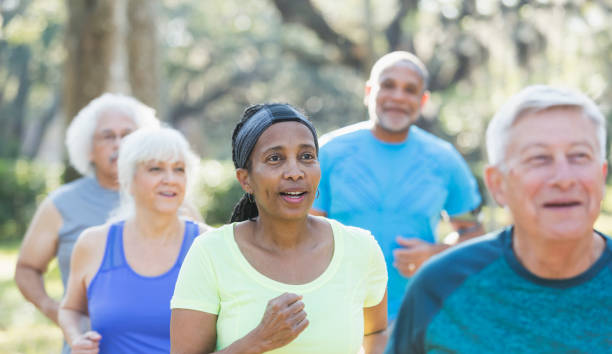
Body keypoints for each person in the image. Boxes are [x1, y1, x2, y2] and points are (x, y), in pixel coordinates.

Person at [386, 85, 612, 353]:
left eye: (579, 156)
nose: (564, 178)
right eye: (539, 158)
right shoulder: (440, 285)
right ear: (498, 184)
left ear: (601, 173)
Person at [170, 103, 388, 353]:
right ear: (245, 180)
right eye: (275, 158)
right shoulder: (210, 254)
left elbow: (376, 332)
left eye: (306, 156)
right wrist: (258, 340)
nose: (295, 172)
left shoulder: (360, 248)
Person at [311, 51, 483, 320]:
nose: (398, 97)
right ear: (369, 91)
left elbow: (474, 233)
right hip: (337, 318)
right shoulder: (328, 152)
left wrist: (436, 254)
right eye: (388, 85)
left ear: (422, 100)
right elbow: (299, 232)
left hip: (416, 317)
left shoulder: (444, 159)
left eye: (410, 90)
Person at [14, 93, 160, 328]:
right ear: (88, 149)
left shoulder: (170, 199)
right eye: (107, 136)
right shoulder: (61, 204)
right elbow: (26, 269)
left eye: (127, 135)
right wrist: (56, 311)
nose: (119, 144)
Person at [58, 127, 209, 353]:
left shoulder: (208, 244)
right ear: (128, 180)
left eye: (179, 169)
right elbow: (71, 309)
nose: (170, 179)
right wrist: (76, 339)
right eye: (156, 168)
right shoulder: (93, 244)